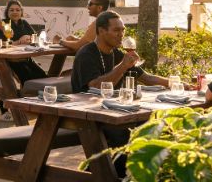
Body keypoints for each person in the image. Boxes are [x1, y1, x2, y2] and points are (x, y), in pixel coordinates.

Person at [70, 11, 168, 177]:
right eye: (116, 30)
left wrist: (176, 83)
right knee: (127, 133)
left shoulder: (115, 53)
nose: (121, 34)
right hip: (88, 115)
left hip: (112, 111)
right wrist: (122, 66)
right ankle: (114, 175)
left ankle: (126, 174)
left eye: (123, 30)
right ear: (101, 31)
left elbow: (146, 77)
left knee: (152, 124)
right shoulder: (86, 54)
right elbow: (95, 86)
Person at [0, 0, 48, 120]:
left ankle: (34, 105)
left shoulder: (24, 23)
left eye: (18, 10)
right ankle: (21, 106)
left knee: (43, 77)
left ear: (21, 12)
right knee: (25, 77)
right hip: (9, 60)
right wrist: (18, 42)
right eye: (12, 10)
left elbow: (34, 38)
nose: (15, 12)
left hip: (25, 58)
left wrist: (29, 39)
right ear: (7, 12)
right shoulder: (4, 24)